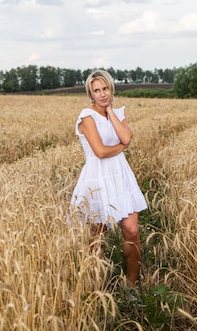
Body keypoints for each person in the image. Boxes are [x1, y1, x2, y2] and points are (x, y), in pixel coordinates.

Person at [70, 69, 148, 288]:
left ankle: (131, 285)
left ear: (111, 89)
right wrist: (122, 147)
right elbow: (101, 152)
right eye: (97, 90)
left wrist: (111, 111)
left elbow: (127, 136)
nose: (102, 94)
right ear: (91, 94)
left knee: (132, 231)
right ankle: (97, 287)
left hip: (121, 176)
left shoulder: (118, 114)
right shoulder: (87, 117)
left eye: (105, 88)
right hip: (98, 180)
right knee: (98, 238)